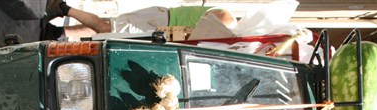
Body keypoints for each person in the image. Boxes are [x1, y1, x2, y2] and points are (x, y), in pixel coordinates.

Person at [42, 0, 237, 40]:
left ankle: (58, 32)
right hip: (163, 24)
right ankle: (61, 8)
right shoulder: (228, 22)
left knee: (108, 29)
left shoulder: (230, 27)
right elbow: (189, 33)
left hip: (162, 26)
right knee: (106, 28)